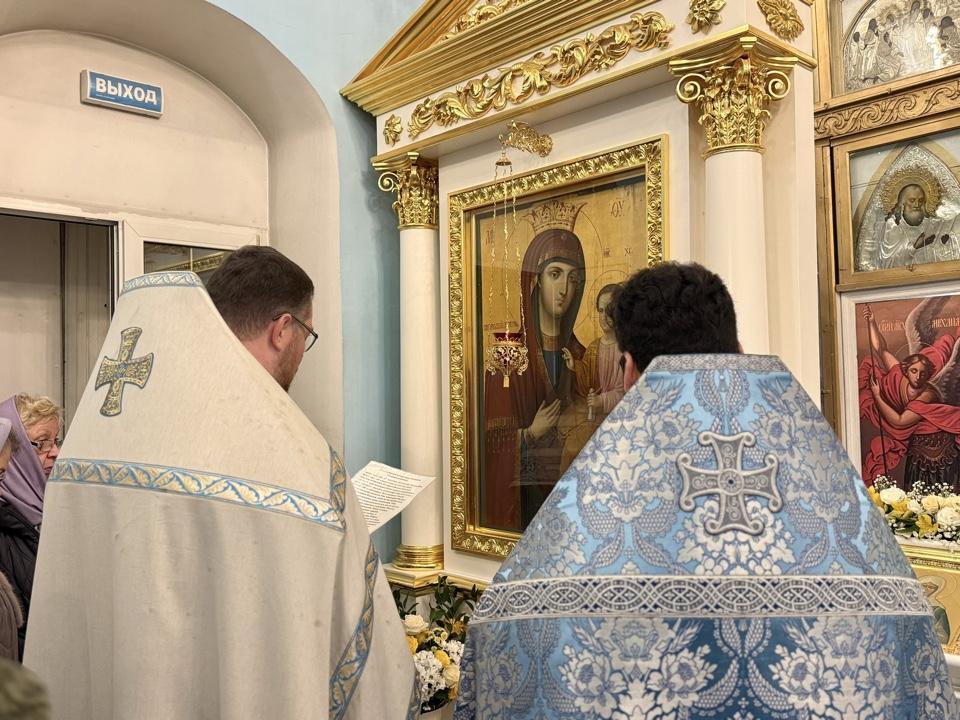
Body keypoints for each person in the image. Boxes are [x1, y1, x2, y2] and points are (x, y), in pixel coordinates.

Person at [455, 262, 957, 719]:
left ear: (627, 370)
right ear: (738, 352)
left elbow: (504, 643)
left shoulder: (581, 527)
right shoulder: (827, 492)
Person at [25, 249, 415, 719]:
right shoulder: (303, 466)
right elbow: (365, 670)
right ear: (282, 329)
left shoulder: (94, 438)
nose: (301, 353)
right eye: (306, 336)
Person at [482, 200, 587, 531]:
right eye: (555, 274)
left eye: (573, 278)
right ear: (535, 280)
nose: (564, 289)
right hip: (528, 500)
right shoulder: (506, 357)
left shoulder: (582, 355)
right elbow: (488, 445)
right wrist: (528, 434)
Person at [859, 298, 960, 490]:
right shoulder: (899, 375)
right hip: (918, 451)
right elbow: (881, 349)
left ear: (928, 374)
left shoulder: (928, 394)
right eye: (914, 371)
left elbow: (899, 421)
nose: (918, 376)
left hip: (942, 453)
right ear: (906, 370)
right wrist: (872, 322)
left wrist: (877, 396)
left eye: (923, 373)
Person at [0, 395, 61, 660]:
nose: (55, 452)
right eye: (41, 443)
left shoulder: (50, 510)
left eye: (55, 441)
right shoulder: (5, 526)